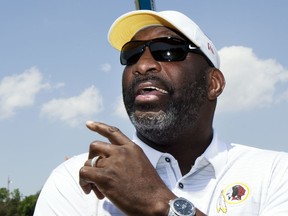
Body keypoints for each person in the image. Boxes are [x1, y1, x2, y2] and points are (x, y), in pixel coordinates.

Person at [34, 10, 288, 216]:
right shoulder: (77, 181)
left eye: (168, 50)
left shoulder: (276, 173)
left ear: (213, 83)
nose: (142, 66)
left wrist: (159, 204)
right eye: (132, 54)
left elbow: (157, 204)